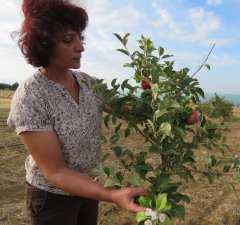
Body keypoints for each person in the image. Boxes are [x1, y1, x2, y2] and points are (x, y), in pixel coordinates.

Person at [7, 1, 148, 225]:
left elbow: (128, 110)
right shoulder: (31, 96)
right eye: (68, 40)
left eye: (80, 38)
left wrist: (159, 103)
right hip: (52, 199)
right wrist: (111, 194)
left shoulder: (87, 83)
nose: (80, 46)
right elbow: (55, 171)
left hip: (87, 189)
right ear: (44, 45)